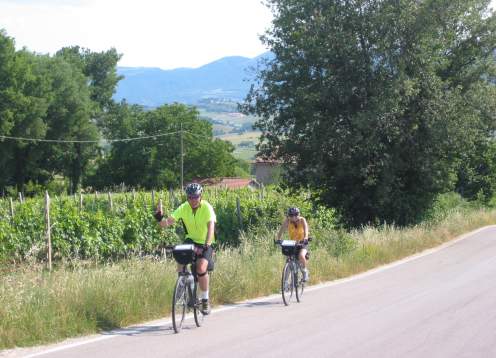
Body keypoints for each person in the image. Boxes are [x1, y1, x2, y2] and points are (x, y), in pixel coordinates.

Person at [155, 183, 216, 315]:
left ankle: (205, 300)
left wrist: (206, 245)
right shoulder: (183, 207)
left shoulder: (207, 208)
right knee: (181, 258)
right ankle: (182, 283)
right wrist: (159, 217)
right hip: (191, 240)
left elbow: (211, 227)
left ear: (201, 196)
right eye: (190, 197)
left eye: (196, 197)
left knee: (200, 268)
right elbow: (166, 223)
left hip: (205, 241)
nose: (193, 200)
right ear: (187, 198)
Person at [276, 207, 310, 281]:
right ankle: (285, 283)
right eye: (291, 215)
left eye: (295, 215)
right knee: (289, 260)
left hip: (302, 243)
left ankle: (305, 272)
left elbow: (306, 229)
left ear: (299, 214)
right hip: (293, 243)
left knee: (301, 256)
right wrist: (278, 239)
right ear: (289, 216)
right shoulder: (287, 221)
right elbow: (281, 230)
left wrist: (306, 237)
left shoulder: (302, 220)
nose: (293, 217)